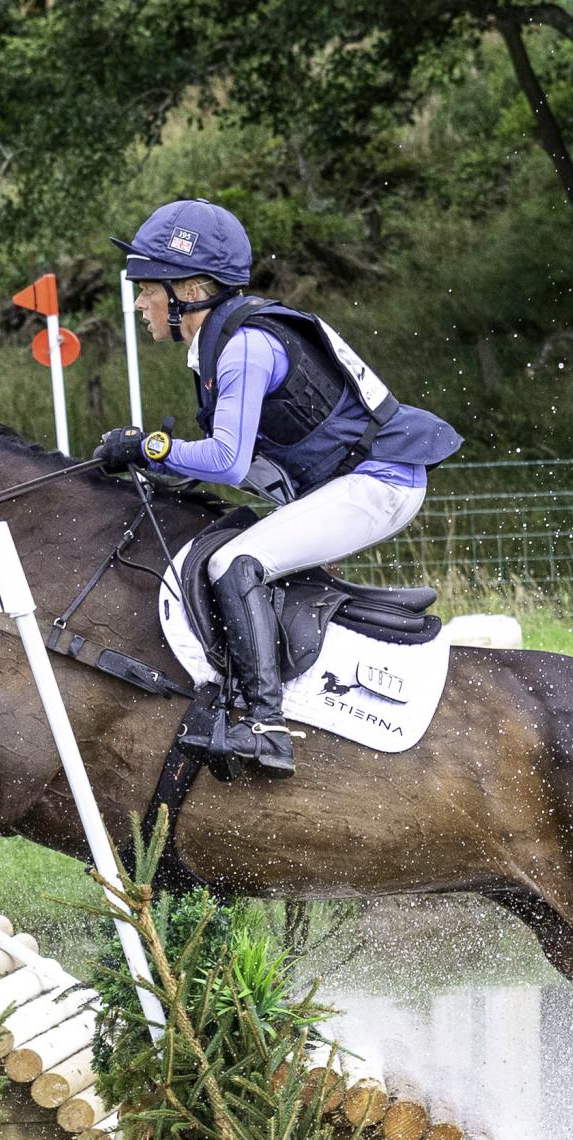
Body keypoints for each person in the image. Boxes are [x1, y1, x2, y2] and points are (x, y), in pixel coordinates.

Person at [93, 198, 463, 775]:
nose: (139, 302)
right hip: (351, 482)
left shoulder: (244, 344)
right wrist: (151, 462)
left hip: (381, 481)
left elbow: (226, 459)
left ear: (189, 290)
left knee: (237, 563)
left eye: (147, 288)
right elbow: (239, 466)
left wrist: (149, 448)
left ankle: (265, 728)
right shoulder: (222, 343)